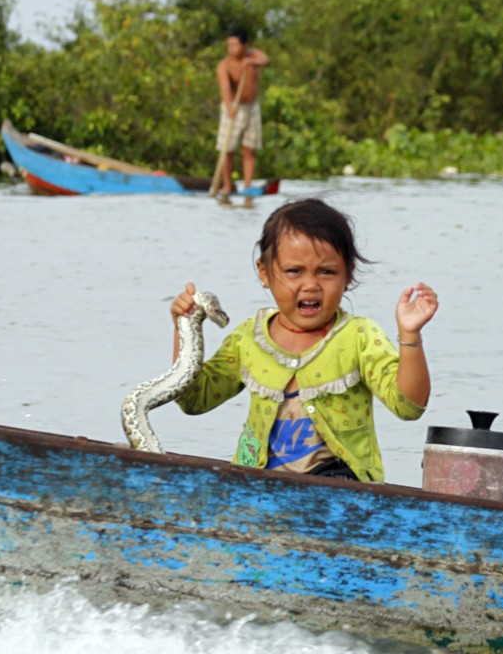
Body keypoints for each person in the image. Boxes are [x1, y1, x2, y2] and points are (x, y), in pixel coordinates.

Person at [171, 198, 437, 481]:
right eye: (294, 271)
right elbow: (193, 400)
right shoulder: (248, 338)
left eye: (327, 272)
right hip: (256, 490)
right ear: (265, 273)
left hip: (341, 493)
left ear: (347, 276)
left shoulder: (359, 336)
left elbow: (408, 406)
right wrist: (185, 328)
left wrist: (410, 335)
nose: (310, 284)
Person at [216, 28, 270, 193]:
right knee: (228, 149)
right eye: (229, 45)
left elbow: (266, 60)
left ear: (245, 45)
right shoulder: (224, 65)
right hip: (232, 108)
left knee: (249, 149)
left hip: (251, 108)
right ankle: (227, 185)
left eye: (235, 45)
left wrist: (251, 63)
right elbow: (225, 88)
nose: (232, 49)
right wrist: (229, 107)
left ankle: (247, 186)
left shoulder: (253, 55)